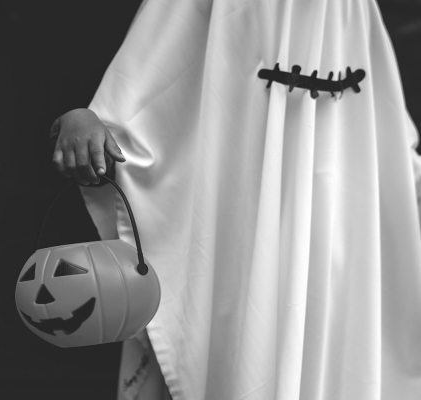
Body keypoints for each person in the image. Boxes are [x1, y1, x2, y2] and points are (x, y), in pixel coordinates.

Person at [52, 0, 421, 399]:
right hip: (234, 215)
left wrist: (408, 172)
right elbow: (148, 89)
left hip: (337, 224)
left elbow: (381, 122)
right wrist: (95, 122)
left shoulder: (352, 7)